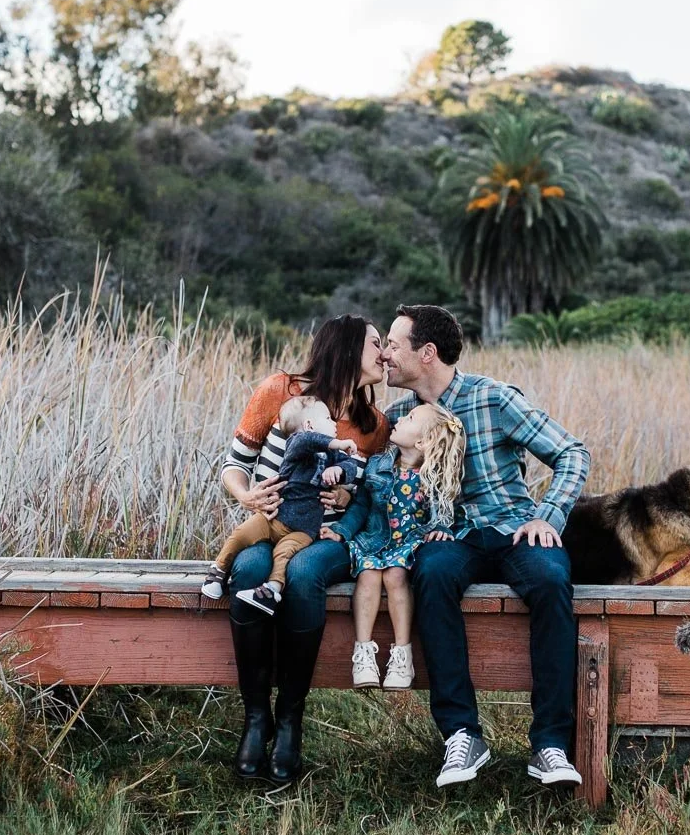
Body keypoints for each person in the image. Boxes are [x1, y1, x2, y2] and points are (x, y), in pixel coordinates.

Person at [382, 304, 591, 788]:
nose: (387, 354)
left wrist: (547, 515)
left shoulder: (493, 398)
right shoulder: (397, 419)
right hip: (451, 537)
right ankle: (461, 735)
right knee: (431, 572)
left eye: (393, 345)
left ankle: (551, 745)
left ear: (427, 353)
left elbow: (572, 453)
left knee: (552, 578)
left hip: (514, 528)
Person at [219, 315, 390, 782]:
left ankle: (290, 718)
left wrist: (348, 496)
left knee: (303, 572)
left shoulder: (373, 425)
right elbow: (234, 465)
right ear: (348, 348)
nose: (384, 354)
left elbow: (374, 493)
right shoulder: (280, 391)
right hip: (273, 524)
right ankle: (256, 717)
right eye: (376, 343)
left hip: (329, 538)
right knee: (249, 569)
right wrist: (246, 496)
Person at [323, 402, 467, 691]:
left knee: (395, 575)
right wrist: (341, 530)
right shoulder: (378, 465)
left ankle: (402, 653)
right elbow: (361, 505)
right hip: (374, 540)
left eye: (410, 418)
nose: (399, 419)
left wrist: (440, 529)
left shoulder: (431, 475)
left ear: (422, 442)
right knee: (367, 575)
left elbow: (444, 511)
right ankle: (363, 653)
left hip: (408, 544)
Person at [205, 396, 363, 613]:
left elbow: (350, 465)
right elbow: (308, 440)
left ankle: (272, 590)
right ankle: (218, 572)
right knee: (241, 534)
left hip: (304, 529)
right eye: (328, 418)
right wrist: (340, 443)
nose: (334, 423)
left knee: (284, 554)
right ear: (309, 425)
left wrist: (340, 470)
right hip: (274, 518)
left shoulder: (333, 455)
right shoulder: (297, 444)